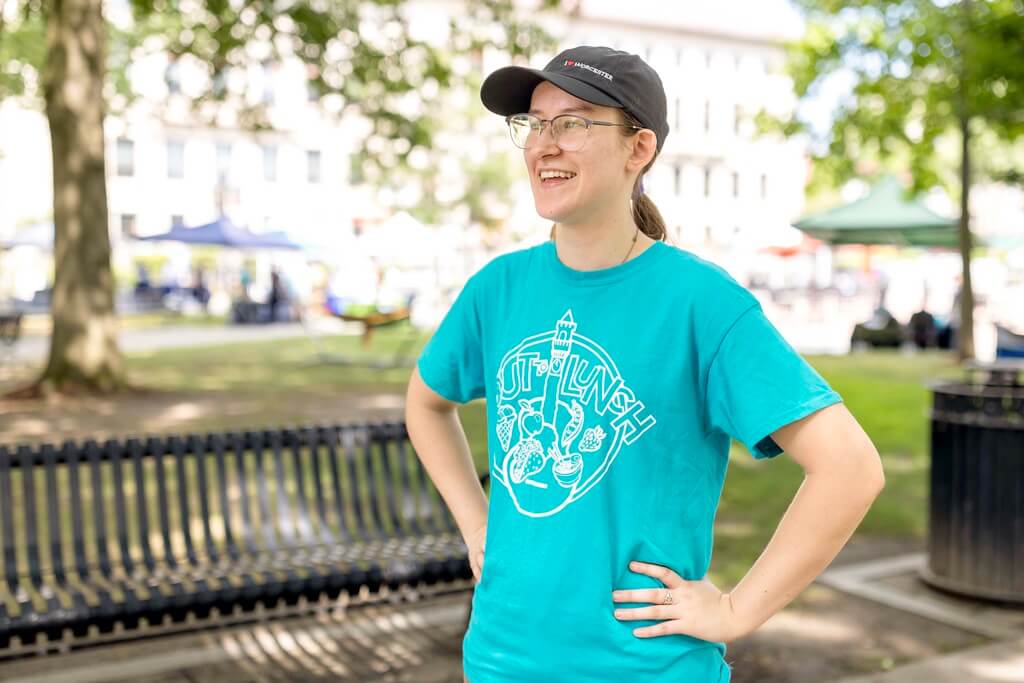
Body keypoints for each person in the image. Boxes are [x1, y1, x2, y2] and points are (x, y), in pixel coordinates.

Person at [405, 46, 885, 683]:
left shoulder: (702, 303)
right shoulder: (497, 289)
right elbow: (426, 402)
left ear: (639, 149)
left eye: (574, 122)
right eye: (534, 124)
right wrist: (475, 523)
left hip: (645, 667)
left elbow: (850, 469)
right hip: (499, 660)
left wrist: (737, 610)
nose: (545, 144)